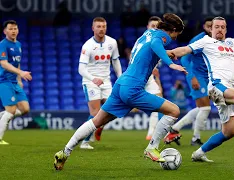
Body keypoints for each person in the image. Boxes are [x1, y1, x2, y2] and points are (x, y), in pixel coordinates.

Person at [53, 13, 186, 170]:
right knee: (174, 110)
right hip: (133, 89)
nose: (176, 37)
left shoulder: (148, 33)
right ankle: (152, 147)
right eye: (177, 34)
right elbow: (156, 45)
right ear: (174, 30)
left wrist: (168, 54)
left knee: (96, 121)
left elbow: (150, 48)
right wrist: (170, 63)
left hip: (120, 84)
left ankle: (64, 152)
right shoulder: (161, 38)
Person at [169, 16, 234, 162]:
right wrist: (167, 53)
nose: (219, 29)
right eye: (216, 26)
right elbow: (185, 50)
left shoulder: (232, 43)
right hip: (216, 85)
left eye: (222, 27)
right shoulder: (205, 42)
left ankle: (199, 153)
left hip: (229, 89)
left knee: (229, 132)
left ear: (226, 29)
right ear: (211, 29)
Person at [164, 17, 213, 146]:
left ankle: (174, 129)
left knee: (201, 108)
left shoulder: (214, 40)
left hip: (205, 77)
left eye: (212, 26)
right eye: (208, 25)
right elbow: (185, 58)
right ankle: (195, 139)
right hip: (196, 76)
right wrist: (192, 77)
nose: (210, 28)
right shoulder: (199, 39)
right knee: (206, 108)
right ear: (204, 26)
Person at [78, 17, 122, 149]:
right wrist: (93, 79)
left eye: (103, 26)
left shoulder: (112, 42)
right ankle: (84, 142)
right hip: (91, 82)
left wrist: (120, 77)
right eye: (98, 26)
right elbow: (81, 69)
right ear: (93, 28)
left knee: (114, 110)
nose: (101, 29)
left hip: (106, 82)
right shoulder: (88, 46)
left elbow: (115, 61)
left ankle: (99, 127)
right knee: (95, 113)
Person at [0, 20, 32, 145]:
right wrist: (21, 73)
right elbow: (3, 63)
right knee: (11, 111)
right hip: (4, 81)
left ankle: (2, 116)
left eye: (15, 28)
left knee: (25, 109)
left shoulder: (18, 44)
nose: (13, 31)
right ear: (5, 31)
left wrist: (19, 80)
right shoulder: (3, 44)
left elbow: (17, 63)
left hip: (14, 81)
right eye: (10, 29)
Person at [142, 16, 165, 140]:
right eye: (152, 26)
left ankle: (152, 133)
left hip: (149, 79)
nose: (155, 28)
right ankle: (97, 126)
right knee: (121, 107)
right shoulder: (143, 42)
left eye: (157, 26)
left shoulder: (158, 44)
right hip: (138, 78)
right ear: (147, 27)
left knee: (159, 102)